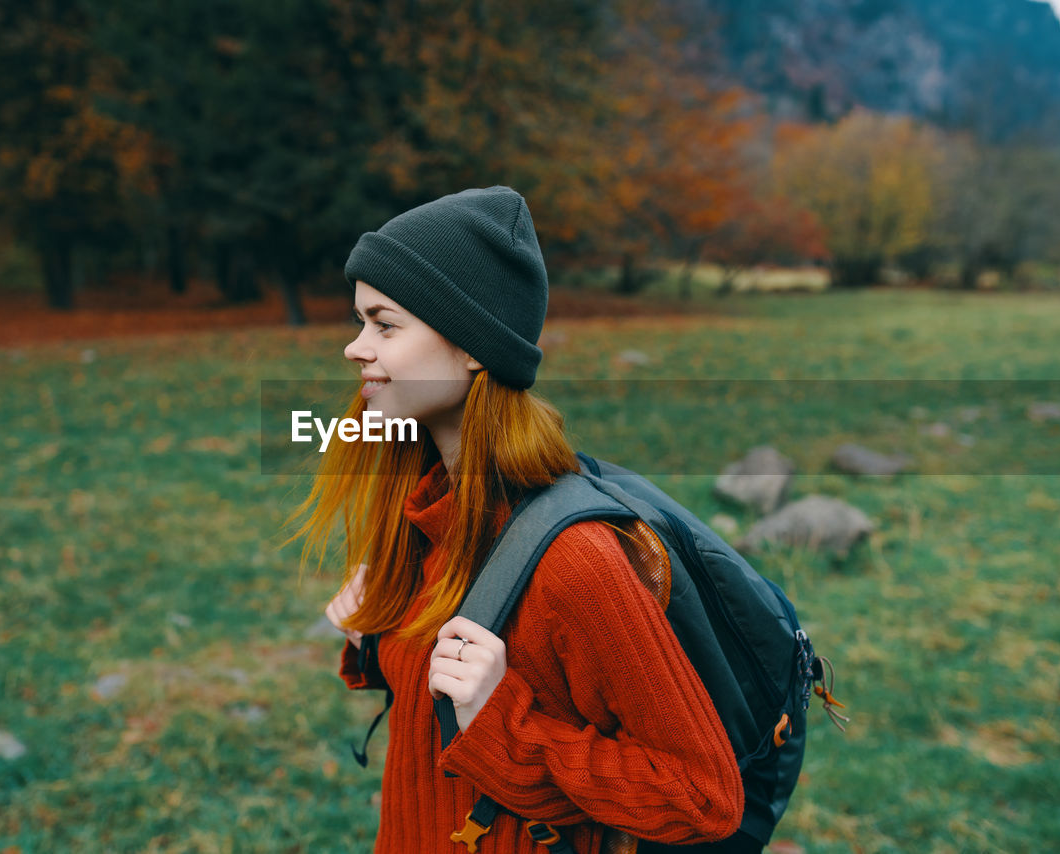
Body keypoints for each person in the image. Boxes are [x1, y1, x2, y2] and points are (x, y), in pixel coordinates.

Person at [291, 186, 744, 853]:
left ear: (474, 346)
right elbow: (442, 686)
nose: (355, 349)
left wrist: (505, 722)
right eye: (359, 323)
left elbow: (702, 797)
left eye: (385, 325)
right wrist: (377, 634)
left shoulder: (575, 561)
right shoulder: (428, 507)